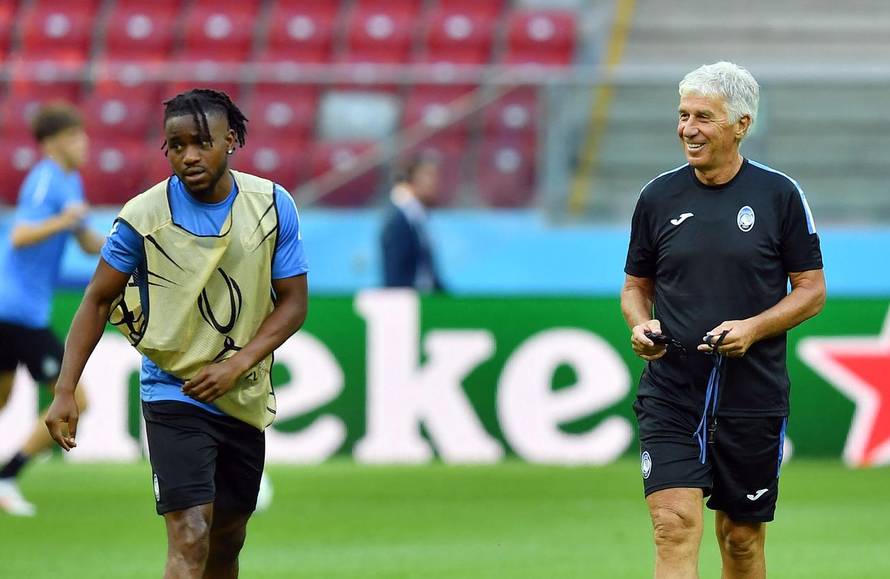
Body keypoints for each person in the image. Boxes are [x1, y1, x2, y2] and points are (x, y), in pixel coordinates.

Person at [44, 89, 309, 578]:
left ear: (230, 140)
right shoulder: (142, 217)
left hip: (240, 393)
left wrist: (236, 364)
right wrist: (65, 390)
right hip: (174, 392)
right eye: (176, 145)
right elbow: (98, 299)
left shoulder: (272, 205)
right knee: (190, 535)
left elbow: (293, 301)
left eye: (201, 143)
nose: (189, 155)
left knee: (228, 540)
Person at [620, 62, 825, 579]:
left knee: (739, 541)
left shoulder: (780, 196)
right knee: (673, 524)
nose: (688, 128)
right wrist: (640, 325)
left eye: (704, 117)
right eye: (683, 115)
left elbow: (811, 291)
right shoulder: (657, 197)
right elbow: (634, 288)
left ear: (741, 124)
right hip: (672, 390)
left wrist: (753, 327)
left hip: (751, 397)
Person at [0, 103, 104, 516]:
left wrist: (129, 246)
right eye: (78, 136)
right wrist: (64, 221)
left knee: (2, 399)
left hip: (14, 310)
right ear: (54, 142)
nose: (85, 143)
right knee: (77, 399)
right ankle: (7, 475)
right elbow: (21, 235)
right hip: (19, 312)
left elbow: (83, 241)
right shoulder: (45, 180)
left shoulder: (69, 181)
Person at [381, 153, 446, 292]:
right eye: (429, 176)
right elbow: (395, 276)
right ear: (411, 180)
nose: (435, 183)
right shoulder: (399, 221)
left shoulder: (418, 218)